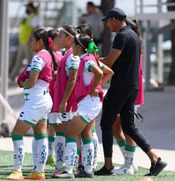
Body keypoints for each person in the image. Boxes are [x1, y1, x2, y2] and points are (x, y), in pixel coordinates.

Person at [95, 8, 167, 177]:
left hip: (120, 86)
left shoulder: (121, 36)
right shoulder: (133, 35)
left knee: (106, 122)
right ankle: (155, 159)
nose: (107, 24)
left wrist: (91, 59)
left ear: (114, 19)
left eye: (108, 21)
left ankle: (108, 165)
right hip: (132, 86)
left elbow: (109, 62)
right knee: (129, 126)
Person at [53, 33, 110, 178]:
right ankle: (87, 170)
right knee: (86, 135)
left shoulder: (86, 59)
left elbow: (98, 72)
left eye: (74, 44)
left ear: (79, 46)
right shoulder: (87, 58)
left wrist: (93, 89)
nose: (71, 47)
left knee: (70, 134)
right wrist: (95, 87)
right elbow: (106, 71)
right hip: (89, 104)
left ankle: (69, 171)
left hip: (88, 104)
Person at [6, 28, 54, 180]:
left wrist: (21, 82)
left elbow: (31, 82)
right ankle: (39, 172)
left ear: (40, 42)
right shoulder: (46, 55)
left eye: (31, 40)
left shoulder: (39, 57)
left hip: (36, 101)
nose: (29, 43)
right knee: (40, 135)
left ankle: (17, 171)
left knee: (16, 133)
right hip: (43, 100)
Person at [111, 19, 144, 175]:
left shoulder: (132, 49)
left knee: (127, 129)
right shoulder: (132, 46)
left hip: (130, 94)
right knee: (116, 129)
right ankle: (130, 162)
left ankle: (128, 165)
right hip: (129, 92)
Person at [47, 25, 78, 175]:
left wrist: (65, 100)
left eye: (60, 36)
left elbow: (73, 79)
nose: (57, 39)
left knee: (70, 134)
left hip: (68, 103)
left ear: (69, 38)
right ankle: (62, 167)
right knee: (61, 132)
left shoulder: (72, 55)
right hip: (60, 100)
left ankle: (70, 169)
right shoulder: (67, 54)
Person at [46, 29, 63, 166]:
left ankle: (51, 154)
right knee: (57, 126)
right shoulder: (59, 57)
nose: (60, 41)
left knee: (50, 125)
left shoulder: (45, 56)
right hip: (56, 95)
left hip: (49, 94)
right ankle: (58, 157)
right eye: (58, 39)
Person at [10, 2, 39, 80]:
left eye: (27, 7)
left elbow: (36, 29)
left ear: (31, 8)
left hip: (28, 42)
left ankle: (31, 76)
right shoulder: (27, 17)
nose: (26, 9)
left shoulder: (34, 17)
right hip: (22, 41)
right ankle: (12, 76)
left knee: (30, 59)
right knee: (19, 60)